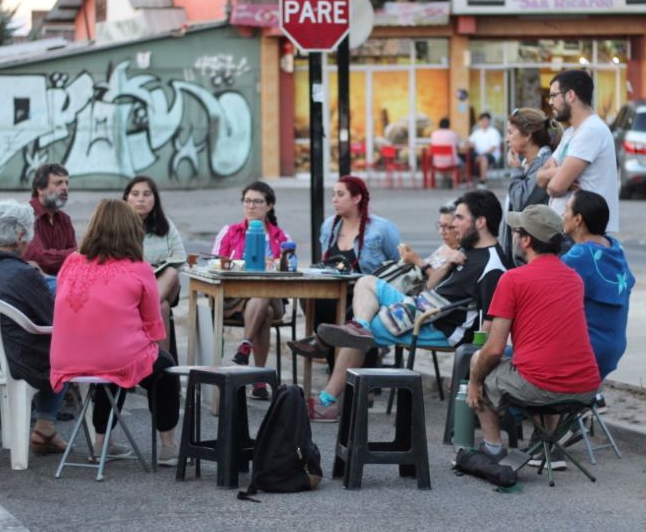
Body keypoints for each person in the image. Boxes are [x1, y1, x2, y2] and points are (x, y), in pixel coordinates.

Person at [310, 190, 510, 421]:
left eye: (459, 218)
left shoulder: (493, 265)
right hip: (424, 305)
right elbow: (431, 285)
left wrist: (477, 368)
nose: (454, 225)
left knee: (357, 335)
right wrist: (447, 264)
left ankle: (327, 401)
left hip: (438, 325)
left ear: (481, 222)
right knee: (366, 283)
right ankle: (360, 325)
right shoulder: (468, 249)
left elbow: (489, 323)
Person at [465, 204, 601, 467]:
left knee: (479, 364)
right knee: (536, 366)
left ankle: (492, 448)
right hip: (586, 387)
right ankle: (548, 448)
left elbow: (493, 349)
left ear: (526, 240)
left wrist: (474, 382)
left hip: (543, 387)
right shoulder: (573, 278)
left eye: (517, 232)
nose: (513, 237)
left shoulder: (513, 280)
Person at [50, 199, 180, 464]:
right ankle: (168, 446)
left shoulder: (72, 262)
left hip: (65, 359)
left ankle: (101, 442)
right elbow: (154, 326)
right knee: (161, 369)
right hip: (112, 358)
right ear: (132, 230)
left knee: (116, 367)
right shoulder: (139, 268)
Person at [0, 200, 68, 455]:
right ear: (20, 234)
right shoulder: (24, 274)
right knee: (65, 350)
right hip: (18, 362)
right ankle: (46, 424)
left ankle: (45, 428)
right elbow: (51, 320)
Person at [291, 176, 401, 362]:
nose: (334, 199)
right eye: (333, 195)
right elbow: (326, 262)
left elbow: (397, 263)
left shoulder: (380, 228)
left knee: (345, 317)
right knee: (310, 296)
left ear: (356, 198)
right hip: (336, 289)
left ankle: (324, 343)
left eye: (340, 194)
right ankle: (325, 342)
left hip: (367, 295)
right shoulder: (329, 226)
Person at [213, 181, 292, 400]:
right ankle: (259, 379)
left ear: (269, 206)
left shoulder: (281, 237)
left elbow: (290, 268)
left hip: (274, 298)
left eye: (257, 201)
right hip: (235, 299)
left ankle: (246, 344)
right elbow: (215, 264)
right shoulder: (229, 232)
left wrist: (274, 263)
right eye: (247, 201)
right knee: (263, 312)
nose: (251, 206)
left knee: (264, 290)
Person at [562, 190, 636, 379]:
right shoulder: (614, 247)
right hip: (615, 346)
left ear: (578, 219)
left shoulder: (578, 256)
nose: (563, 214)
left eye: (566, 209)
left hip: (589, 349)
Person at [536, 70, 620, 232]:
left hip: (585, 233)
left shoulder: (591, 130)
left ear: (570, 95)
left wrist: (553, 175)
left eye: (553, 95)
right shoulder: (570, 133)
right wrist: (557, 172)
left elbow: (555, 187)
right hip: (569, 229)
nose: (550, 102)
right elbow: (540, 178)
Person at [124, 175, 186, 354]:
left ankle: (144, 307)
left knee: (172, 273)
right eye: (135, 194)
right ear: (126, 197)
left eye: (146, 194)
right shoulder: (119, 224)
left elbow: (180, 256)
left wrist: (158, 267)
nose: (141, 199)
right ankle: (162, 367)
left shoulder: (165, 225)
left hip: (160, 282)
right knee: (162, 307)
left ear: (155, 199)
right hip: (130, 285)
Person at [500, 107, 561, 265]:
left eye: (510, 132)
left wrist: (515, 170)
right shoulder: (528, 163)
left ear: (527, 135)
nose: (507, 139)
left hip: (533, 254)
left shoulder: (544, 162)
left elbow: (521, 201)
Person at [24, 162, 77, 276]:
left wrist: (77, 254)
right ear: (40, 189)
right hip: (34, 284)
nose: (64, 188)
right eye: (58, 183)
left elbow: (77, 262)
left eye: (66, 183)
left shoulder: (64, 219)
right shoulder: (26, 215)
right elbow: (40, 257)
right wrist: (78, 252)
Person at [399, 203, 459, 289]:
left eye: (447, 227)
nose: (441, 232)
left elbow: (439, 283)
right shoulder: (447, 245)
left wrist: (417, 261)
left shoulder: (459, 254)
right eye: (440, 225)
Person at [468, 112, 502, 188]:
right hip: (478, 154)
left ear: (489, 121)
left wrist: (482, 154)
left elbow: (493, 148)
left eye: (486, 120)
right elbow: (470, 142)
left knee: (483, 158)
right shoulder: (477, 132)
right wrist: (471, 145)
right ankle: (465, 180)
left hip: (491, 155)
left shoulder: (493, 132)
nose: (484, 122)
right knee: (465, 156)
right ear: (479, 122)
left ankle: (482, 181)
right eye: (482, 120)